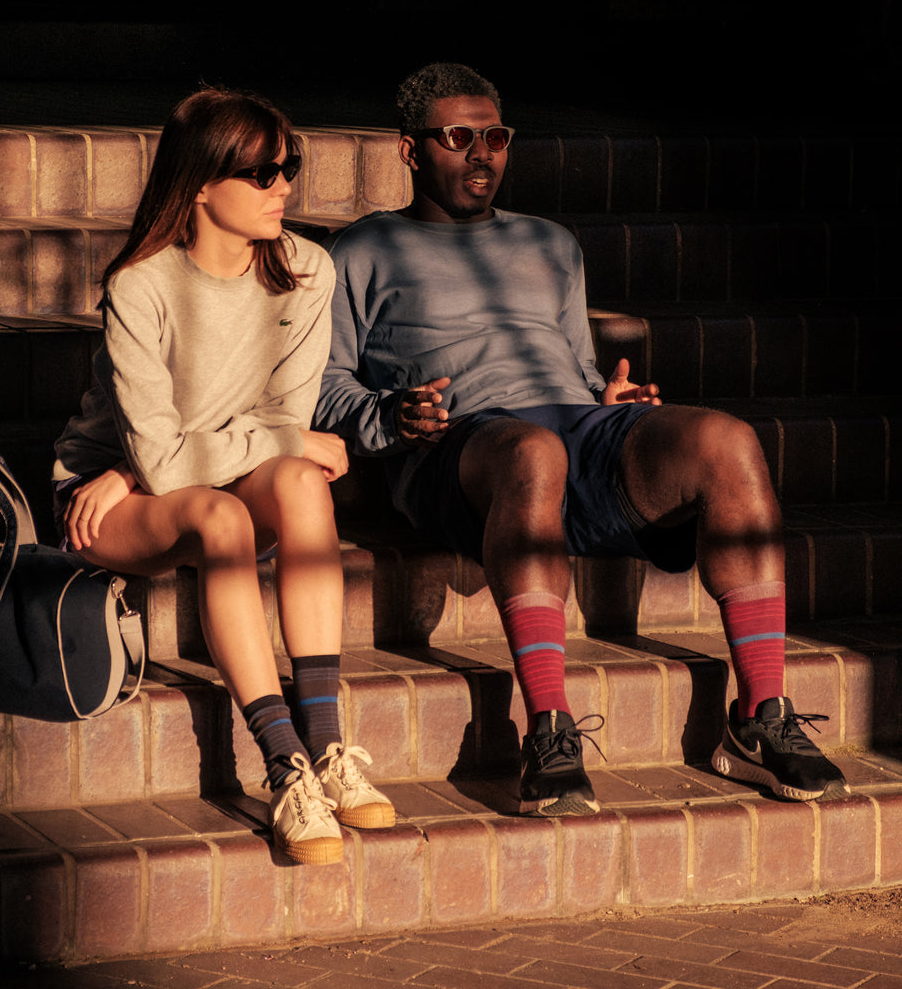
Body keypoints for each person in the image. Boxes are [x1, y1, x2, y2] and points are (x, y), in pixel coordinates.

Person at [315, 62, 848, 817]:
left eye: (495, 136)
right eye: (458, 137)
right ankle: (549, 728)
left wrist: (610, 396)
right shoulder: (359, 250)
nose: (481, 154)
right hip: (460, 448)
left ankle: (759, 717)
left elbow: (572, 364)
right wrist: (391, 417)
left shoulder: (552, 243)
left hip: (573, 427)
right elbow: (324, 386)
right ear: (410, 151)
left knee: (725, 439)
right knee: (533, 453)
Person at [53, 88, 395, 865]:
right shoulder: (141, 286)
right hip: (106, 500)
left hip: (174, 474)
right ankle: (283, 766)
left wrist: (172, 461)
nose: (284, 187)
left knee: (303, 485)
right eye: (263, 173)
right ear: (201, 184)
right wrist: (138, 473)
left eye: (290, 168)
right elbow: (181, 456)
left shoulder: (307, 270)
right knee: (224, 518)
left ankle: (328, 747)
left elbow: (283, 426)